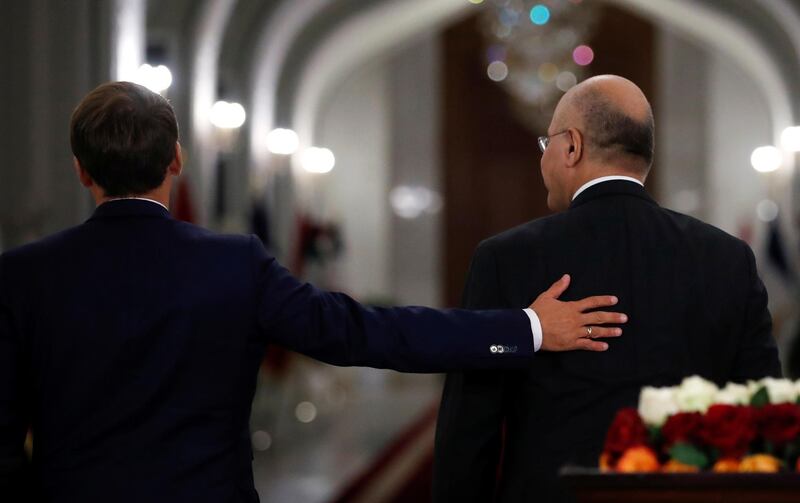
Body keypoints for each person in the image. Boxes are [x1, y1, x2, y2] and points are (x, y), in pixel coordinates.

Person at [0, 81, 627, 503]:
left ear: (80, 169)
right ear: (177, 161)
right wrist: (527, 329)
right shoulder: (232, 265)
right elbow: (364, 331)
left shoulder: (22, 276)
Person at [432, 75, 782, 502]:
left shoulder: (506, 258)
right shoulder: (728, 258)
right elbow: (765, 414)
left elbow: (471, 428)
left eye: (547, 145)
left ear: (572, 146)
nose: (543, 160)